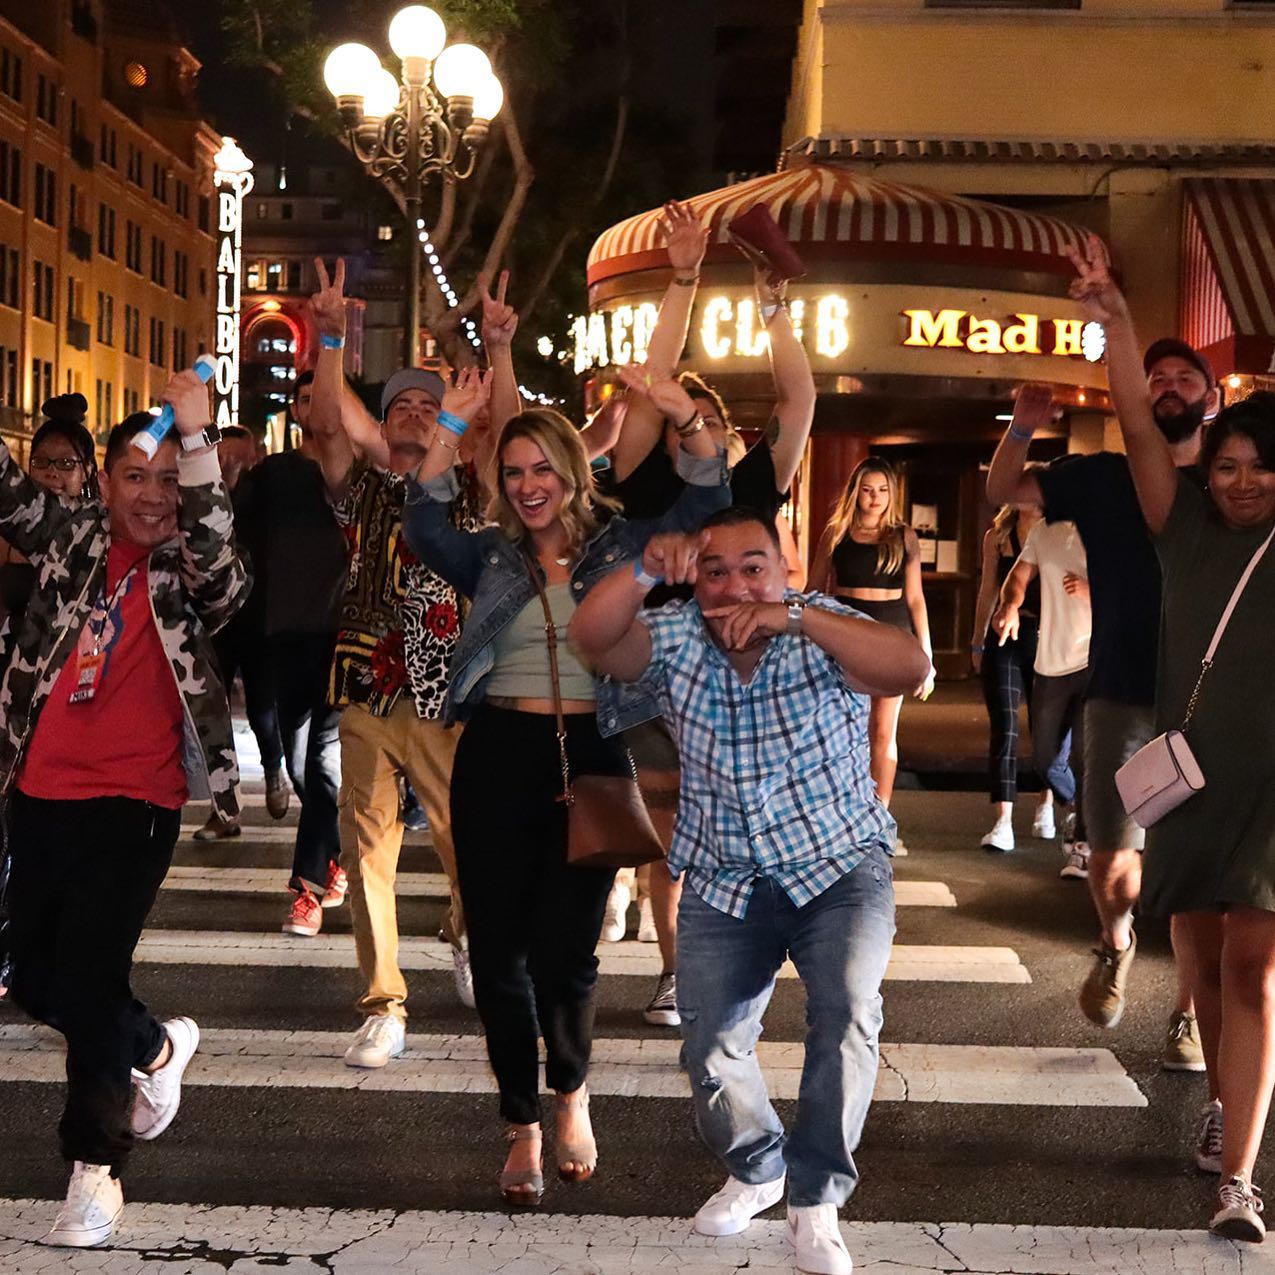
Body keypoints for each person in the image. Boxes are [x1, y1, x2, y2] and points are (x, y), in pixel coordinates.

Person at [400, 357, 729, 1206]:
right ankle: (520, 1122)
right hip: (496, 756)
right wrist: (449, 425)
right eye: (512, 473)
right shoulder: (491, 555)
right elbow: (423, 522)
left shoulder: (622, 544)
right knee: (498, 954)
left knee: (566, 955)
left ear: (573, 470)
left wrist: (683, 413)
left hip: (591, 753)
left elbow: (706, 504)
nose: (527, 485)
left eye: (542, 467)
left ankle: (571, 1093)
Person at [569, 507, 929, 1275]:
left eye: (753, 565)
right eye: (715, 569)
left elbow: (909, 667)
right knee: (709, 1043)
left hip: (836, 864)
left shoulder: (821, 622)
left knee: (844, 1013)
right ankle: (759, 1166)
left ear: (785, 565)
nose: (736, 584)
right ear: (693, 580)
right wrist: (639, 570)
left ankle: (816, 1197)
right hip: (723, 873)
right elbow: (591, 639)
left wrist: (794, 615)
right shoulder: (672, 636)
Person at [0, 377, 247, 1248]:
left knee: (94, 970)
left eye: (168, 479)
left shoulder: (190, 566)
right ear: (104, 483)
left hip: (137, 798)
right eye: (135, 476)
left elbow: (221, 563)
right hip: (38, 790)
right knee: (32, 978)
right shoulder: (68, 540)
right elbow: (6, 488)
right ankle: (154, 1047)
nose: (152, 494)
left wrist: (197, 432)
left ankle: (94, 1170)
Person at [1068, 231, 1275, 1241]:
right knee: (1198, 968)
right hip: (1194, 786)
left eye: (1257, 468)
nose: (1239, 481)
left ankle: (1237, 1179)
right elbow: (1140, 434)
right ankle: (1226, 1110)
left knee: (1255, 971)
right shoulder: (1182, 526)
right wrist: (1112, 323)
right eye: (1228, 467)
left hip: (1273, 788)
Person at [602, 200, 818, 1026]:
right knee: (672, 834)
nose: (706, 427)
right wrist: (682, 276)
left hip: (757, 671)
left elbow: (797, 398)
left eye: (717, 420)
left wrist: (773, 304)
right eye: (689, 418)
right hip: (662, 667)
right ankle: (674, 969)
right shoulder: (649, 484)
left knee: (737, 828)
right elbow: (656, 384)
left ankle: (743, 963)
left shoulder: (758, 481)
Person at [988, 361, 1209, 1070]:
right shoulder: (1100, 476)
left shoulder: (1233, 480)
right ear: (1140, 397)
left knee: (1197, 872)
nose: (1169, 383)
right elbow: (1002, 489)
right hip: (1119, 692)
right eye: (1158, 375)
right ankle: (1115, 941)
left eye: (1185, 374)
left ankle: (1188, 1014)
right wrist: (1022, 426)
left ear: (1210, 397)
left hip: (1208, 701)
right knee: (1114, 861)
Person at [308, 259, 482, 1059]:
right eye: (400, 404)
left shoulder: (470, 493)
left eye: (429, 405)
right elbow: (332, 415)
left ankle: (465, 928)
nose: (413, 414)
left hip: (446, 688)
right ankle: (385, 1002)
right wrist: (333, 334)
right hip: (364, 682)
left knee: (464, 840)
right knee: (366, 843)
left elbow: (499, 426)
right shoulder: (363, 484)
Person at [231, 371, 350, 935]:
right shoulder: (274, 474)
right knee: (304, 763)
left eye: (323, 394)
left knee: (323, 758)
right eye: (305, 398)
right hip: (285, 630)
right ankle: (337, 854)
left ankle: (308, 888)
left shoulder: (360, 474)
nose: (314, 405)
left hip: (347, 635)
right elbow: (231, 528)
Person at [809, 458, 935, 833]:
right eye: (867, 489)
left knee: (882, 731)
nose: (875, 498)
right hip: (846, 635)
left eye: (882, 490)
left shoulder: (904, 536)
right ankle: (843, 808)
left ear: (891, 494)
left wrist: (926, 655)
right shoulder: (836, 533)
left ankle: (878, 817)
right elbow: (814, 591)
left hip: (892, 634)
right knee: (841, 727)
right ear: (855, 492)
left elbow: (916, 599)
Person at [193, 425, 288, 841]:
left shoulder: (267, 488)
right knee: (214, 714)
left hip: (260, 615)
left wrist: (235, 481)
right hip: (218, 616)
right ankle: (223, 810)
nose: (233, 463)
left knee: (261, 709)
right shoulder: (206, 495)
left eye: (239, 457)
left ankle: (273, 770)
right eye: (224, 456)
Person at [992, 503, 1091, 876]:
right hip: (1050, 660)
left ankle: (1083, 846)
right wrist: (1011, 606)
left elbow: (1134, 587)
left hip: (1095, 658)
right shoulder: (1043, 531)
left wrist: (1091, 589)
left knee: (1085, 756)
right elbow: (1017, 577)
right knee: (1046, 759)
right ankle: (1082, 811)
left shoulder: (1106, 528)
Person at [970, 502, 1056, 852]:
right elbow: (989, 589)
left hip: (1049, 633)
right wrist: (977, 641)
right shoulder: (998, 536)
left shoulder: (1060, 533)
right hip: (1003, 633)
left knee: (1046, 725)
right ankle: (1003, 820)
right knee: (1004, 725)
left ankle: (1046, 805)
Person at [0, 399, 98, 671]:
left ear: (88, 470)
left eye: (66, 463)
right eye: (41, 461)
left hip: (66, 670)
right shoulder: (9, 525)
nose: (51, 471)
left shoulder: (92, 531)